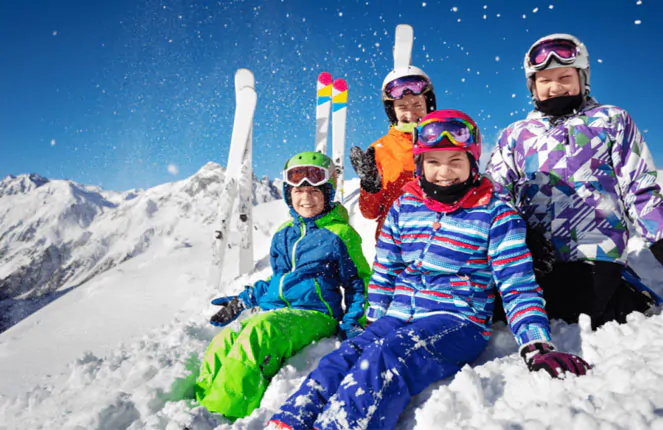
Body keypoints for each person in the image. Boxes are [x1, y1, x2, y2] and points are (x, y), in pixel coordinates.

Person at [267, 110, 590, 430]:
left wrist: (536, 344)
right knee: (344, 356)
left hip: (456, 319)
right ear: (420, 164)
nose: (444, 172)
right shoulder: (404, 207)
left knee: (387, 357)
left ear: (472, 162)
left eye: (455, 161)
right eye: (433, 161)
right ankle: (289, 422)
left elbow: (517, 284)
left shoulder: (495, 212)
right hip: (399, 314)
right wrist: (374, 320)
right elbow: (386, 268)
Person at [487, 33, 663, 330]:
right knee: (499, 311)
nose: (555, 87)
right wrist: (520, 236)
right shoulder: (516, 135)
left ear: (583, 78)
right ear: (533, 86)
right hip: (534, 260)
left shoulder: (610, 121)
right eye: (544, 80)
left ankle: (626, 292)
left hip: (595, 253)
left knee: (575, 312)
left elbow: (640, 191)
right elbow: (493, 195)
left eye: (565, 77)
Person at [194, 151, 371, 420]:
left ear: (328, 193)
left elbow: (358, 281)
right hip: (279, 311)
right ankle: (201, 408)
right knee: (225, 340)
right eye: (298, 191)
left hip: (315, 314)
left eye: (314, 191)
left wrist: (354, 321)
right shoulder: (283, 234)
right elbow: (280, 280)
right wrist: (244, 299)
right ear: (289, 195)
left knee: (260, 331)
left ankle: (223, 412)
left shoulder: (340, 234)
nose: (306, 197)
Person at [349, 64, 437, 240]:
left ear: (428, 104)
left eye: (417, 105)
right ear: (392, 111)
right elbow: (370, 213)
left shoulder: (445, 140)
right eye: (402, 107)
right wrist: (370, 186)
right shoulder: (379, 150)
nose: (410, 114)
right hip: (394, 243)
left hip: (440, 241)